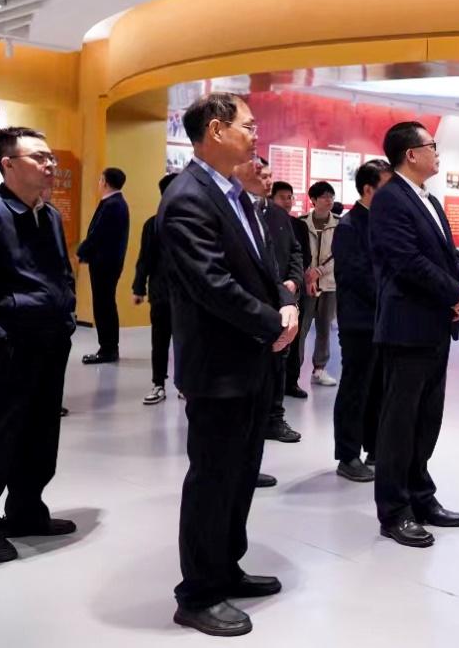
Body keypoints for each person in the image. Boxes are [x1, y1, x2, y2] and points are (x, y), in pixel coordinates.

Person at [158, 93, 299, 636]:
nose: (256, 134)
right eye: (248, 125)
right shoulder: (188, 198)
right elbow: (212, 284)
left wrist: (283, 303)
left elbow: (260, 268)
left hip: (249, 361)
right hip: (218, 367)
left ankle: (225, 567)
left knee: (240, 476)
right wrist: (273, 322)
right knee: (213, 479)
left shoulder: (234, 194)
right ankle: (197, 593)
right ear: (216, 130)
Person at [370, 121, 459, 548]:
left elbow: (450, 253)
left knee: (426, 418)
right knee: (399, 423)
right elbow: (407, 261)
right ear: (411, 154)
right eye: (432, 145)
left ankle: (420, 496)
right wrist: (453, 292)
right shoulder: (390, 199)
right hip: (407, 328)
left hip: (435, 326)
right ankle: (394, 511)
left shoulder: (427, 198)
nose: (438, 152)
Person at [0, 127, 78, 564]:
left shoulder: (50, 216)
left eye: (50, 157)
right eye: (39, 157)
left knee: (41, 432)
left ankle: (27, 510)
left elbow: (61, 272)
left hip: (51, 340)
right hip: (10, 345)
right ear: (8, 164)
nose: (49, 164)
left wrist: (67, 312)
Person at [234, 159, 304, 449]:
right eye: (262, 174)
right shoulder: (234, 212)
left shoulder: (277, 215)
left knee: (278, 364)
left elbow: (295, 251)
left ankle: (274, 418)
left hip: (281, 303)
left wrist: (293, 282)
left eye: (270, 175)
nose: (268, 180)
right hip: (251, 307)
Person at [332, 158, 392, 483]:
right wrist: (390, 296)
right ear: (368, 190)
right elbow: (356, 276)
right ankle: (347, 454)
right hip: (359, 322)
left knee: (378, 387)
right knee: (355, 388)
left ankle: (375, 447)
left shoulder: (383, 221)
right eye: (386, 186)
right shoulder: (349, 226)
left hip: (383, 320)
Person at [77, 167, 130, 364]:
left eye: (100, 180)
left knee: (103, 305)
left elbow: (97, 235)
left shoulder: (113, 205)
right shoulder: (115, 203)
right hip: (107, 263)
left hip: (105, 264)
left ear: (106, 183)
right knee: (105, 304)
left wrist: (80, 252)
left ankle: (107, 349)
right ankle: (108, 347)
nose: (98, 183)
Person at [132, 173, 176, 404]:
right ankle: (158, 383)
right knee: (160, 341)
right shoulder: (154, 224)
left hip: (188, 295)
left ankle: (183, 384)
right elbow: (145, 258)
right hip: (162, 293)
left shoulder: (194, 222)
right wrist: (138, 287)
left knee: (186, 341)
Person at [270, 181, 313, 399]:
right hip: (271, 290)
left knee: (295, 338)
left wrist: (294, 281)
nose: (287, 202)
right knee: (274, 339)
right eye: (282, 197)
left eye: (290, 197)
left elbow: (304, 255)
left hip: (294, 289)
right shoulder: (262, 221)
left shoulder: (299, 226)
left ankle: (291, 382)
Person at [299, 181, 339, 390]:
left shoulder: (340, 224)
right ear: (313, 200)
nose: (329, 200)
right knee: (302, 328)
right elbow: (297, 251)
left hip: (329, 285)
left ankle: (320, 369)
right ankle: (293, 370)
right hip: (306, 284)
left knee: (324, 328)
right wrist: (308, 274)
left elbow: (340, 254)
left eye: (331, 196)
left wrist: (319, 272)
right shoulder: (301, 223)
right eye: (324, 196)